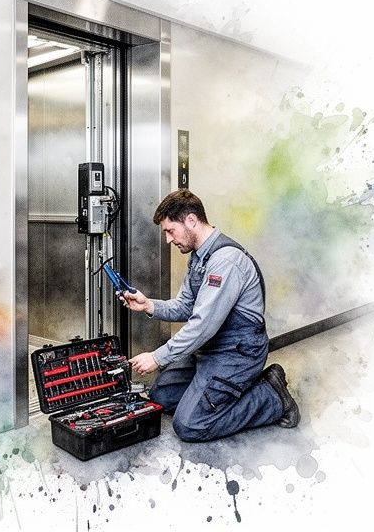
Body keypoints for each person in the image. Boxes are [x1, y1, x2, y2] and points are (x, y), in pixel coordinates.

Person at [121, 189, 300, 442]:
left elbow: (202, 326)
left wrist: (157, 357)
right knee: (161, 396)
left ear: (191, 220)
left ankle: (271, 396)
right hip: (210, 349)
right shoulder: (199, 258)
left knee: (190, 425)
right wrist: (149, 305)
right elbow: (186, 306)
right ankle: (224, 391)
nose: (168, 240)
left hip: (237, 353)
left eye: (170, 231)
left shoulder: (225, 261)